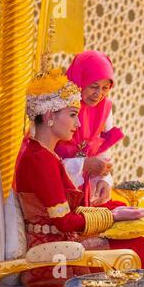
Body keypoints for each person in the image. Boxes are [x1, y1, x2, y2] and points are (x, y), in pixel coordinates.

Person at [16, 69, 144, 287]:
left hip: (60, 242)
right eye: (73, 114)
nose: (79, 124)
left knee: (136, 241)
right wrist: (112, 216)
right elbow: (63, 222)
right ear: (49, 116)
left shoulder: (41, 152)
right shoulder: (39, 159)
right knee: (137, 246)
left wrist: (113, 214)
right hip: (53, 253)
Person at [55, 50, 123, 207]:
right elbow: (43, 161)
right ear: (79, 79)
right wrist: (82, 164)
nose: (98, 94)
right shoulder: (58, 103)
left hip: (83, 194)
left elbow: (102, 152)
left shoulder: (104, 106)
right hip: (53, 191)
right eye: (94, 86)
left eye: (105, 88)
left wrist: (103, 179)